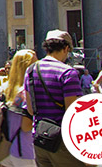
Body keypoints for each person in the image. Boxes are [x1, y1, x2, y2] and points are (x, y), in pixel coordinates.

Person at [24, 30, 83, 166]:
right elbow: (72, 113)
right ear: (66, 48)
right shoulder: (68, 73)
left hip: (41, 140)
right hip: (63, 141)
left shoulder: (31, 70)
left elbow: (31, 110)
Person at [0, 49, 37, 167]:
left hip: (6, 149)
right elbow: (26, 126)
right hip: (24, 149)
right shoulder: (25, 93)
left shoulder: (5, 88)